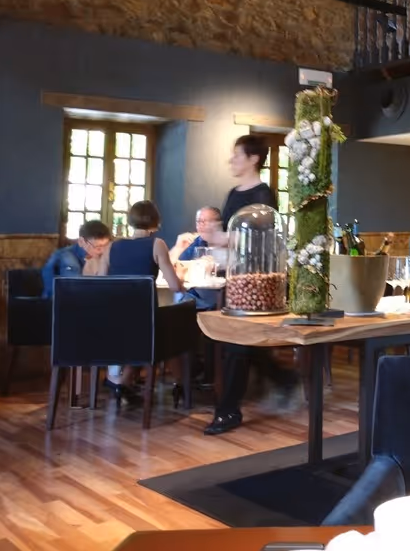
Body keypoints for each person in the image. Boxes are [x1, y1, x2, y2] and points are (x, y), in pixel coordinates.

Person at [202, 134, 298, 436]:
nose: (231, 160)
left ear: (253, 159)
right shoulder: (233, 193)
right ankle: (284, 379)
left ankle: (228, 410)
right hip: (236, 277)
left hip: (259, 280)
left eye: (237, 155)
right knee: (243, 343)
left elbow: (257, 233)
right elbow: (228, 234)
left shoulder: (263, 194)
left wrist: (221, 237)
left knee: (238, 344)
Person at [95, 200, 185, 404]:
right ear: (156, 222)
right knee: (174, 331)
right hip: (143, 321)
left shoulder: (112, 246)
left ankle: (123, 382)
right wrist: (181, 280)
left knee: (150, 332)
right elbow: (174, 286)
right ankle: (181, 384)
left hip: (113, 318)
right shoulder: (157, 244)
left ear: (130, 221)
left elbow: (100, 281)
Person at [41, 220, 111, 298]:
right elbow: (74, 291)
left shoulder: (99, 255)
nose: (102, 251)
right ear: (81, 242)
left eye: (105, 245)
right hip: (57, 302)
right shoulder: (66, 257)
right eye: (97, 247)